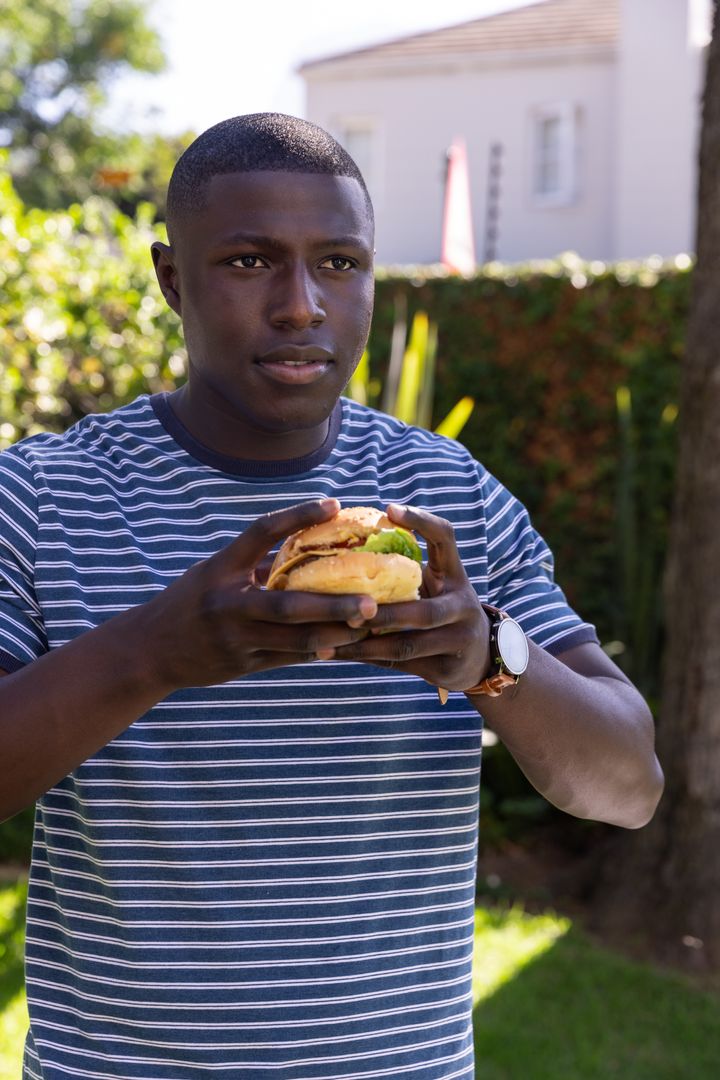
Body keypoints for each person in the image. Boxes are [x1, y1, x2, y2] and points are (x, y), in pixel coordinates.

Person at [0, 113, 663, 1080]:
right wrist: (155, 654)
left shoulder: (450, 497)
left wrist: (489, 659)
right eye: (248, 261)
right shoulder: (42, 499)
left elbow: (630, 786)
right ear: (172, 279)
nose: (302, 305)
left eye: (340, 263)